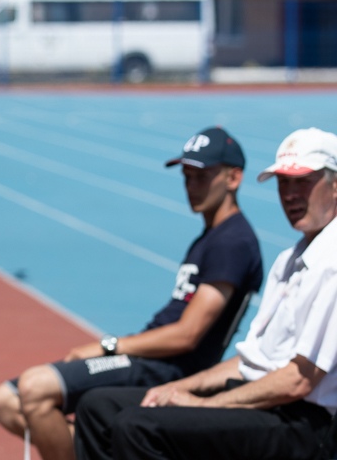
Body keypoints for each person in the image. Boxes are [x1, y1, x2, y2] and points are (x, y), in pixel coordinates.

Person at [0, 126, 263, 460]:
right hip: (147, 357)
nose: (191, 186)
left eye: (202, 176)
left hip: (166, 368)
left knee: (34, 388)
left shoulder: (232, 242)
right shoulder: (212, 236)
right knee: (5, 401)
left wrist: (107, 346)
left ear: (233, 178)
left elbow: (187, 335)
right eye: (187, 176)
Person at [74, 127, 337, 460]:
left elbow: (299, 381)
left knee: (139, 426)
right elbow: (252, 359)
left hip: (302, 424)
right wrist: (181, 387)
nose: (289, 193)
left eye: (303, 181)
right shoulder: (290, 259)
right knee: (98, 406)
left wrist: (204, 403)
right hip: (264, 399)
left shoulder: (331, 264)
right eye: (283, 183)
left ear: (335, 185)